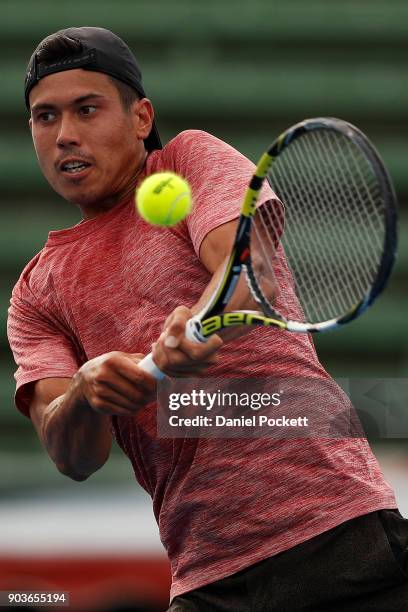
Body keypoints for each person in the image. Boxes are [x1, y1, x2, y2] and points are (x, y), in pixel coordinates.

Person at [7, 27, 408, 611]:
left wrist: (198, 325)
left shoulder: (191, 158)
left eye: (86, 110)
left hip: (341, 537)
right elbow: (72, 455)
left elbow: (252, 279)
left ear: (141, 117)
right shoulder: (35, 293)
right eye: (46, 118)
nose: (66, 134)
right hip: (208, 580)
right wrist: (88, 395)